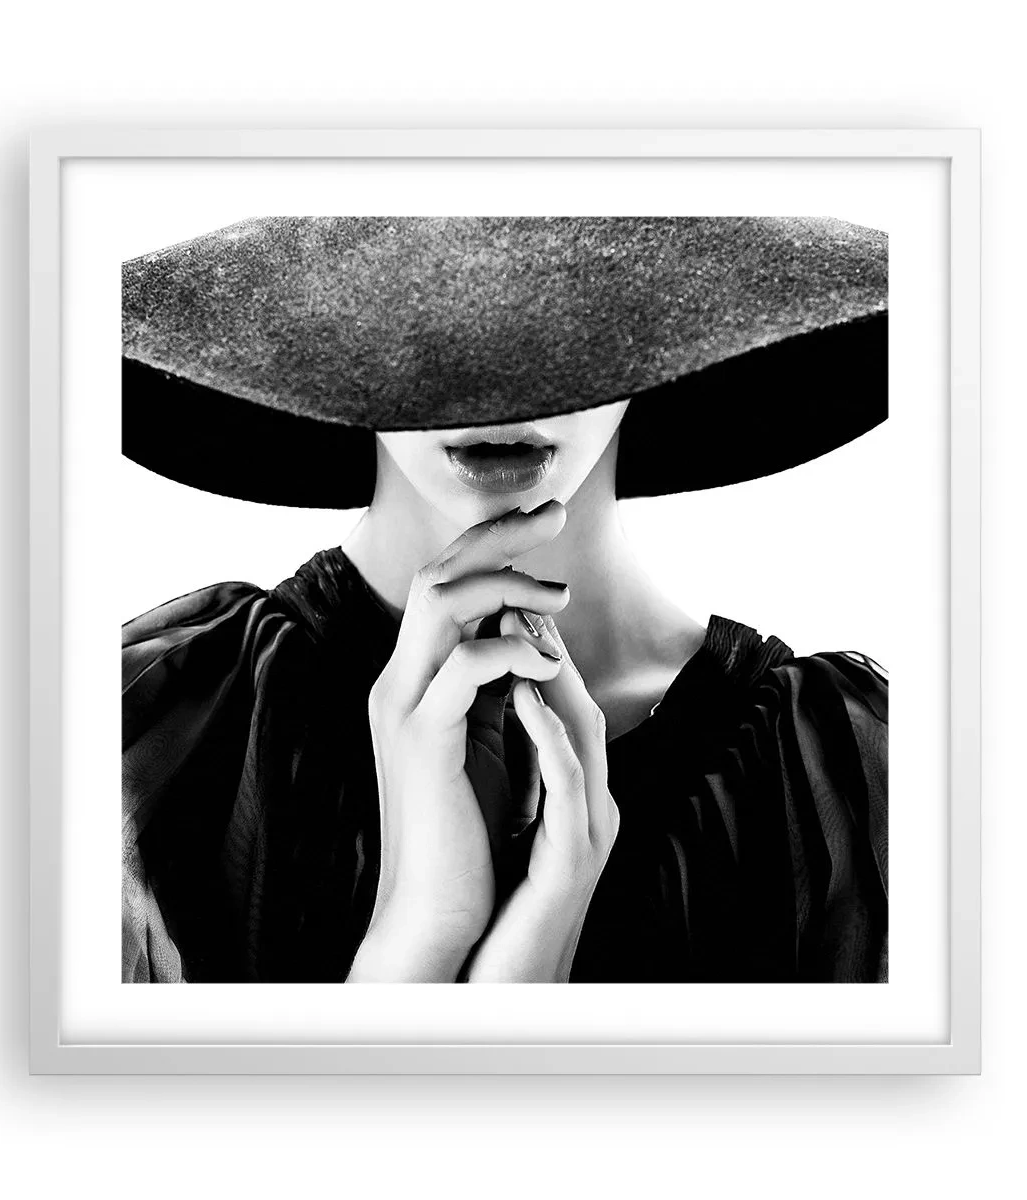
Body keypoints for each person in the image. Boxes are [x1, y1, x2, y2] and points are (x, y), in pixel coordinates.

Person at [121, 216, 889, 984]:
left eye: (565, 281)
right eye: (431, 280)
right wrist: (416, 941)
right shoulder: (142, 740)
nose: (496, 369)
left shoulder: (852, 785)